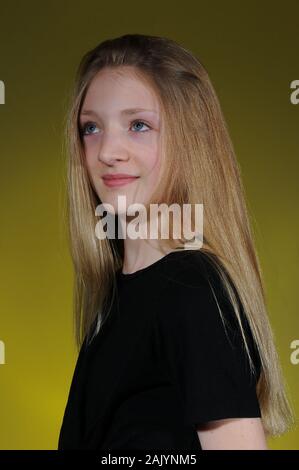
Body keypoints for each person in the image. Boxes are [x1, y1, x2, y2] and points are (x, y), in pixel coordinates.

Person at [57, 34, 294, 450]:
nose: (108, 150)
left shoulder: (191, 289)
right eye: (91, 127)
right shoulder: (112, 303)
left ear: (190, 141)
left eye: (139, 125)